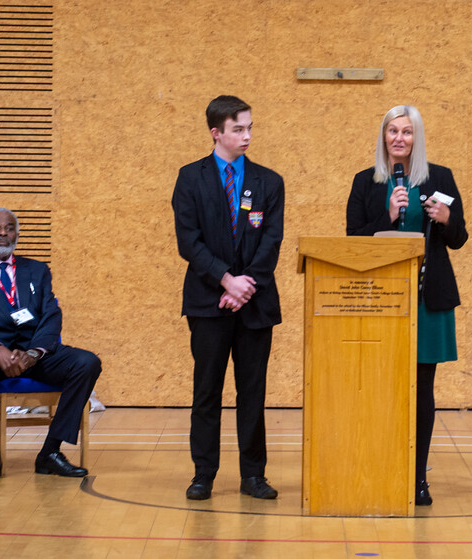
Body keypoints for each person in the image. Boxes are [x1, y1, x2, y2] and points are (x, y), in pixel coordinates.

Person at [346, 105, 468, 506]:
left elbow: (458, 239)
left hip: (427, 300)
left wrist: (447, 218)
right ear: (383, 137)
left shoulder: (440, 178)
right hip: (378, 300)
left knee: (422, 390)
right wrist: (389, 213)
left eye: (407, 132)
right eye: (392, 131)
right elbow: (353, 243)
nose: (399, 138)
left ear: (418, 137)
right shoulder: (366, 182)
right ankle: (380, 468)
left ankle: (418, 477)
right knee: (380, 387)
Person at [172, 95, 284, 501]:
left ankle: (253, 474)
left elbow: (271, 240)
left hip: (255, 303)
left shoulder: (269, 181)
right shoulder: (190, 178)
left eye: (250, 127)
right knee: (207, 391)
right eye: (239, 129)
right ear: (216, 133)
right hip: (208, 302)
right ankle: (204, 473)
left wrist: (245, 285)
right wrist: (224, 280)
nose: (247, 135)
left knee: (252, 391)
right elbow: (189, 240)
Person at [0, 208, 101, 481]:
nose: (3, 233)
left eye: (9, 228)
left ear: (17, 234)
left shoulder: (37, 270)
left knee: (87, 363)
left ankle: (50, 452)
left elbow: (52, 315)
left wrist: (33, 353)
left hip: (34, 354)